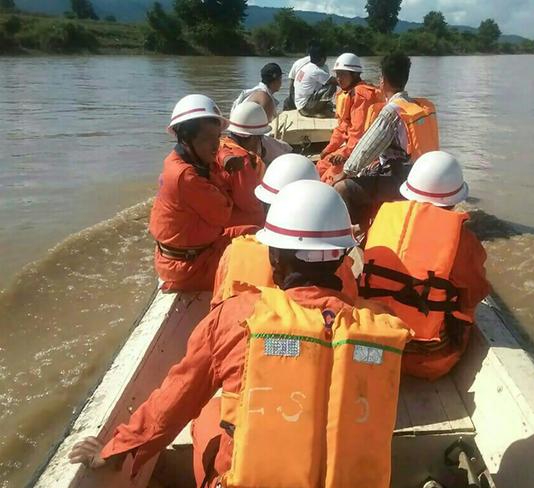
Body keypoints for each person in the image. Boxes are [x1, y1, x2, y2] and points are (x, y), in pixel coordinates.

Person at [69, 180, 410, 488]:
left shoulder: (235, 316)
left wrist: (116, 448)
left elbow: (175, 401)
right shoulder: (383, 324)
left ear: (274, 258)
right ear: (341, 259)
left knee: (209, 416)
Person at [359, 151, 490, 381]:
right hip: (425, 361)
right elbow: (475, 292)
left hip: (368, 349)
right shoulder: (462, 239)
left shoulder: (382, 218)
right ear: (454, 199)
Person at [213, 153, 358, 305]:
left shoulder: (236, 252)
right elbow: (349, 303)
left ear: (266, 204)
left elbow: (217, 307)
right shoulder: (336, 262)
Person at [332, 53, 440, 232]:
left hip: (404, 181)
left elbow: (365, 150)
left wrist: (345, 173)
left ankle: (360, 230)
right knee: (369, 172)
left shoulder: (392, 111)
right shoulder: (422, 106)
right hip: (426, 177)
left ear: (383, 81)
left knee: (342, 188)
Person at [149, 94, 235, 292]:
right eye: (207, 139)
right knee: (255, 263)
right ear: (186, 139)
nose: (216, 146)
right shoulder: (186, 176)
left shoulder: (178, 159)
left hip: (192, 253)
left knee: (252, 231)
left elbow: (217, 156)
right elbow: (224, 213)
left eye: (217, 138)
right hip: (190, 267)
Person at [316, 53, 383, 184]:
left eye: (342, 74)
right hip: (351, 147)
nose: (338, 79)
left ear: (355, 75)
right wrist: (329, 148)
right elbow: (342, 127)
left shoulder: (361, 95)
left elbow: (358, 134)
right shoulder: (347, 94)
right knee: (319, 167)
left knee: (328, 178)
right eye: (337, 74)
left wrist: (344, 154)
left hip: (362, 151)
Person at [216, 101, 269, 230]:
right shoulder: (242, 161)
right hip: (230, 223)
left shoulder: (218, 144)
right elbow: (250, 205)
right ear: (252, 138)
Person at [231, 63, 293, 164]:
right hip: (249, 139)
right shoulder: (266, 99)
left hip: (240, 135)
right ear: (276, 80)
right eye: (280, 79)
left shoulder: (256, 92)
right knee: (287, 150)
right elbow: (260, 133)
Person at [283, 41, 330, 111]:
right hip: (308, 100)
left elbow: (292, 83)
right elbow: (329, 82)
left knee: (286, 102)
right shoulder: (322, 66)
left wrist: (294, 101)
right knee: (330, 86)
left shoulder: (298, 63)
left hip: (297, 97)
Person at [293, 44, 337, 117]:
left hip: (300, 106)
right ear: (323, 58)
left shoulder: (305, 67)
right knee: (331, 86)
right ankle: (322, 111)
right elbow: (337, 81)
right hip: (306, 109)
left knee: (325, 84)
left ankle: (322, 109)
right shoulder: (315, 70)